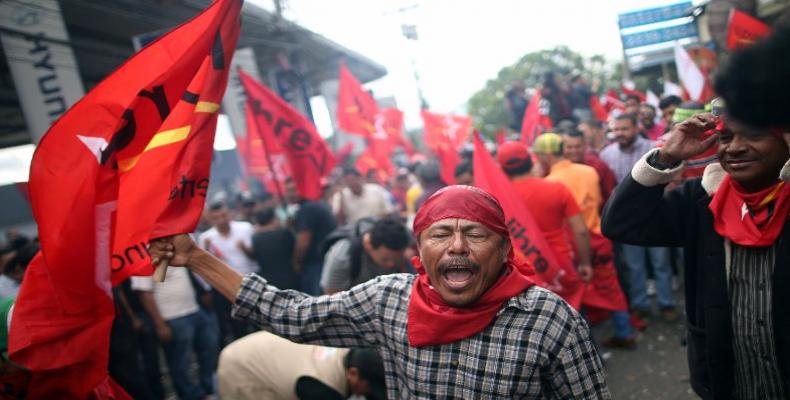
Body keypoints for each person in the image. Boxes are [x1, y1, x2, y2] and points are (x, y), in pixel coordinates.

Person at [149, 185, 610, 399]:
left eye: (474, 233)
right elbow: (291, 315)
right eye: (439, 234)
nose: (456, 246)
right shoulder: (388, 299)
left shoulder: (548, 318)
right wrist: (198, 258)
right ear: (420, 248)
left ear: (505, 247)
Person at [603, 28, 790, 399]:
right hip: (727, 384)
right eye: (725, 138)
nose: (734, 148)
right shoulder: (700, 201)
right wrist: (666, 156)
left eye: (751, 134)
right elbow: (620, 222)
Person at [496, 141, 593, 283]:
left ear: (503, 168)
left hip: (523, 267)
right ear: (530, 160)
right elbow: (581, 231)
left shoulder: (499, 198)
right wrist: (585, 263)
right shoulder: (557, 188)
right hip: (561, 263)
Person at [131, 267, 219, 400]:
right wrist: (160, 324)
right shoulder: (143, 260)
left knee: (209, 349)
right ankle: (191, 395)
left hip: (194, 309)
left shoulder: (171, 250)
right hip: (172, 317)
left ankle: (207, 389)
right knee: (180, 363)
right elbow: (144, 293)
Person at [218, 332, 385, 400]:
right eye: (369, 387)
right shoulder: (324, 386)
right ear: (353, 373)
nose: (368, 393)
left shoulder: (344, 348)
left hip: (263, 348)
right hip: (242, 366)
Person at [198, 202, 258, 341]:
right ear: (211, 220)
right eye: (216, 218)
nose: (221, 220)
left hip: (251, 281)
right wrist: (207, 251)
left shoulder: (245, 228)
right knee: (238, 326)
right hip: (228, 286)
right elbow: (206, 266)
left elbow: (257, 255)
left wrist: (244, 248)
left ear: (229, 214)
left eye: (224, 215)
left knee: (259, 321)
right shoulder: (207, 238)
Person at [320, 216, 411, 294]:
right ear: (368, 245)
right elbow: (333, 298)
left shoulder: (404, 252)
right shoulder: (342, 256)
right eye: (385, 259)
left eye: (397, 259)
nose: (391, 264)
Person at [286, 178, 338, 296]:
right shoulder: (314, 204)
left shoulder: (307, 209)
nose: (290, 194)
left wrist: (296, 261)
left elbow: (303, 242)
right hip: (325, 259)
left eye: (293, 189)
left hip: (316, 264)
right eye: (288, 190)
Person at [562, 129, 617, 206]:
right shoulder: (557, 167)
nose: (573, 151)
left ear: (585, 146)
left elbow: (609, 194)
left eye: (577, 146)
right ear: (562, 148)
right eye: (569, 147)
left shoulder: (598, 166)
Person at [251, 207, 298, 290]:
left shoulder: (256, 238)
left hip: (269, 282)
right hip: (289, 278)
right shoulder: (284, 233)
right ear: (273, 219)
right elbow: (295, 250)